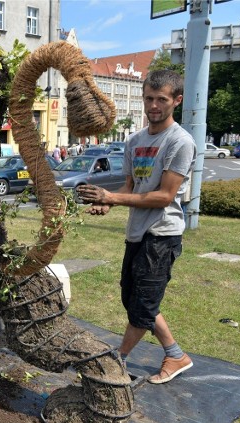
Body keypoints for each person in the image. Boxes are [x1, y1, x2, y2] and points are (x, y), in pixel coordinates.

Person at [77, 70, 195, 384]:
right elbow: (132, 187)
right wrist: (108, 202)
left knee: (142, 304)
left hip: (162, 234)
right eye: (149, 98)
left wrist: (111, 195)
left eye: (162, 99)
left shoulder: (180, 142)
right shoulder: (134, 141)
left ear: (177, 101)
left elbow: (164, 195)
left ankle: (119, 359)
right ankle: (176, 354)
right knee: (134, 300)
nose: (153, 105)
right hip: (137, 234)